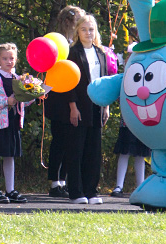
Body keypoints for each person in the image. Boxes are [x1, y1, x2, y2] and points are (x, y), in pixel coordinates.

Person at [64, 13, 110, 205]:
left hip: (97, 106)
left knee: (94, 150)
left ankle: (91, 190)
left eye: (91, 29)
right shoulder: (73, 52)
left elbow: (105, 79)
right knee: (77, 149)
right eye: (83, 29)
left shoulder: (101, 52)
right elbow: (68, 81)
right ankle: (76, 191)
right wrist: (73, 106)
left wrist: (106, 105)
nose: (88, 33)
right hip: (80, 105)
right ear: (77, 31)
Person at [44, 5, 84, 197]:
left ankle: (63, 181)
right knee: (60, 142)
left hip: (68, 96)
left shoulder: (76, 43)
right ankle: (56, 182)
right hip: (62, 98)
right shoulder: (58, 43)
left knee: (67, 142)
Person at [0, 43, 32, 204]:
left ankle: (10, 190)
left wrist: (34, 95)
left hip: (13, 122)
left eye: (11, 58)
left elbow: (23, 101)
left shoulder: (19, 79)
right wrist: (6, 101)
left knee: (10, 155)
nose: (8, 61)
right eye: (4, 58)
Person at [111, 43, 150, 198]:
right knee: (125, 152)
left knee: (140, 154)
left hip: (142, 120)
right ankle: (118, 186)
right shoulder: (125, 75)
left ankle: (140, 186)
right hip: (127, 121)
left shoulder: (146, 74)